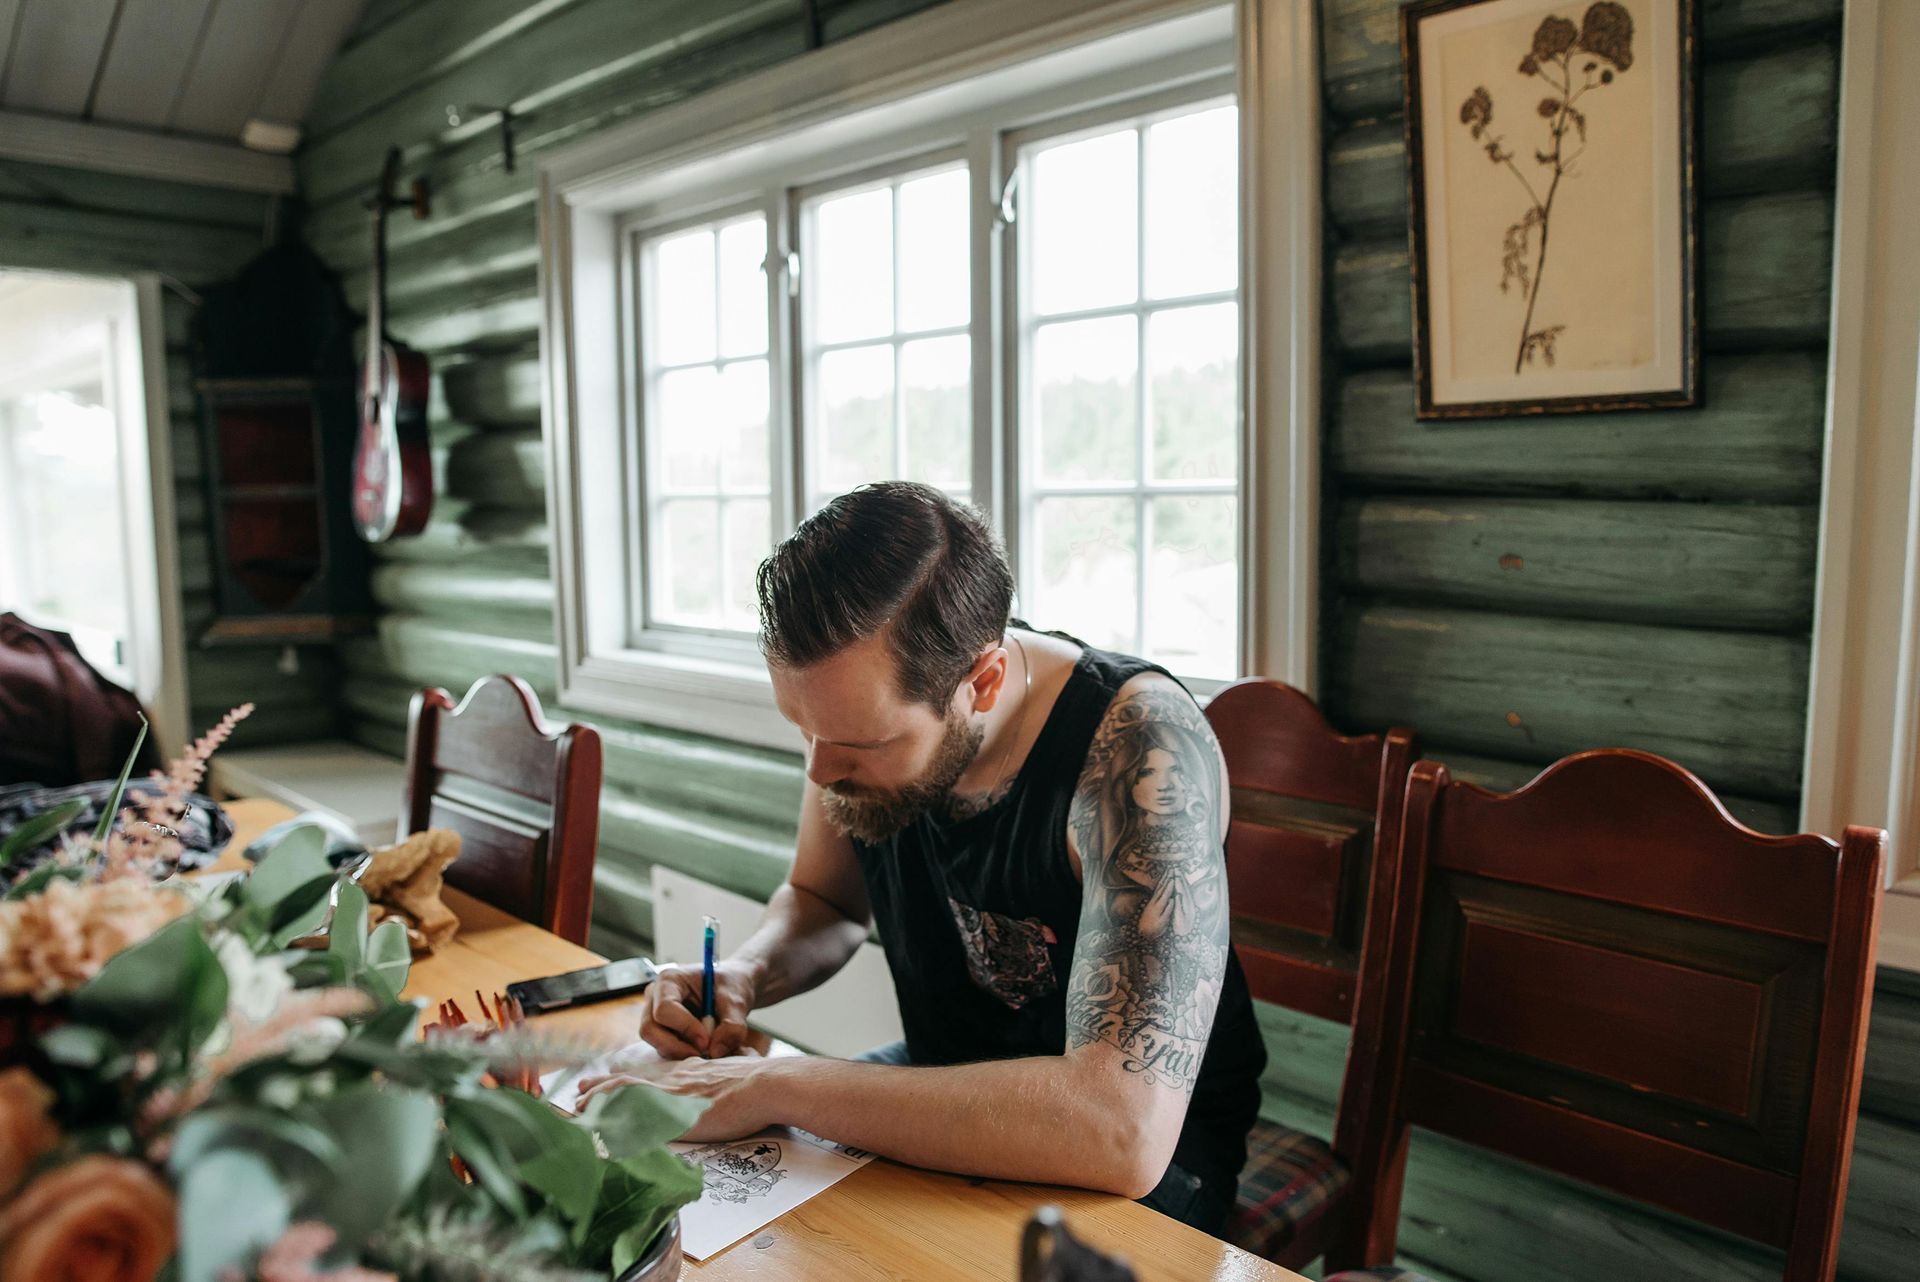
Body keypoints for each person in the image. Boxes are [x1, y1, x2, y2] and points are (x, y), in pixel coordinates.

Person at [578, 482, 1266, 1234]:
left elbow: (1122, 1131)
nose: (818, 771)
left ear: (984, 682)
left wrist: (775, 1083)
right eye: (801, 729)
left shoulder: (1140, 753)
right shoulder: (858, 714)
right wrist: (745, 975)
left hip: (1141, 1162)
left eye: (855, 744)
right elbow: (824, 902)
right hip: (941, 1080)